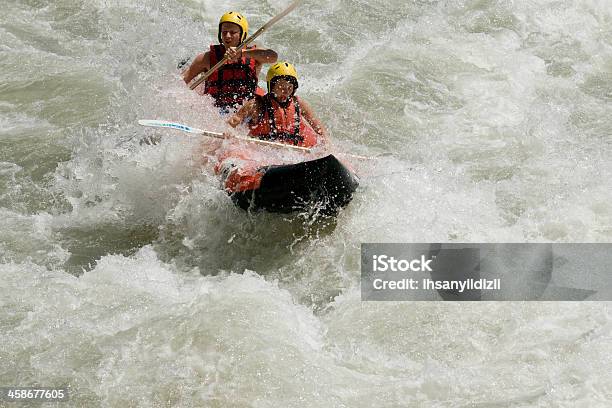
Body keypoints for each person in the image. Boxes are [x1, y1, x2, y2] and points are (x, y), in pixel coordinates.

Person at [182, 11, 278, 112]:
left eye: (233, 32)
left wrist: (242, 53)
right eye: (224, 32)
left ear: (242, 35)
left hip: (244, 114)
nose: (227, 36)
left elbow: (273, 57)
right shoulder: (206, 58)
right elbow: (182, 82)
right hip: (216, 112)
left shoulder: (253, 54)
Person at [226, 61, 329, 148]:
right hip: (263, 152)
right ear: (272, 86)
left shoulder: (298, 103)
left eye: (289, 88)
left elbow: (319, 129)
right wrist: (228, 132)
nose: (286, 92)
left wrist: (327, 146)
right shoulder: (256, 104)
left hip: (294, 153)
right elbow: (233, 121)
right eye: (281, 87)